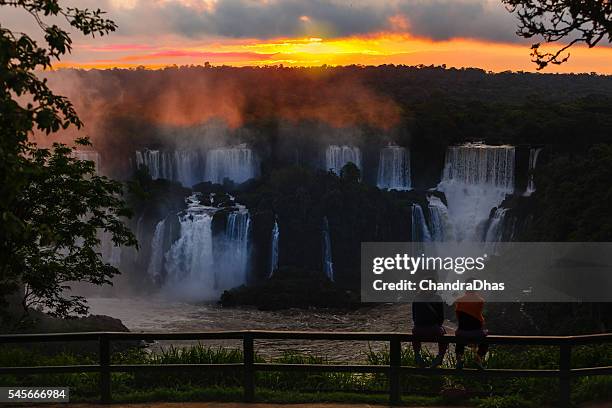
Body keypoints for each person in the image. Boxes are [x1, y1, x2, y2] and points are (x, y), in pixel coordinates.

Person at [454, 281, 488, 370]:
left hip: (462, 331)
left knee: (459, 340)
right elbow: (479, 316)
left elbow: (458, 317)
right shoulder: (480, 300)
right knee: (485, 340)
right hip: (476, 332)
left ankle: (459, 358)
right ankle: (478, 356)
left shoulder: (459, 300)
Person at [412, 290, 447, 368]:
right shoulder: (437, 298)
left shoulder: (416, 298)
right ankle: (440, 357)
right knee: (444, 335)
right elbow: (441, 317)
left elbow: (414, 317)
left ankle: (417, 355)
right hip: (434, 329)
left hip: (418, 330)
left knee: (414, 332)